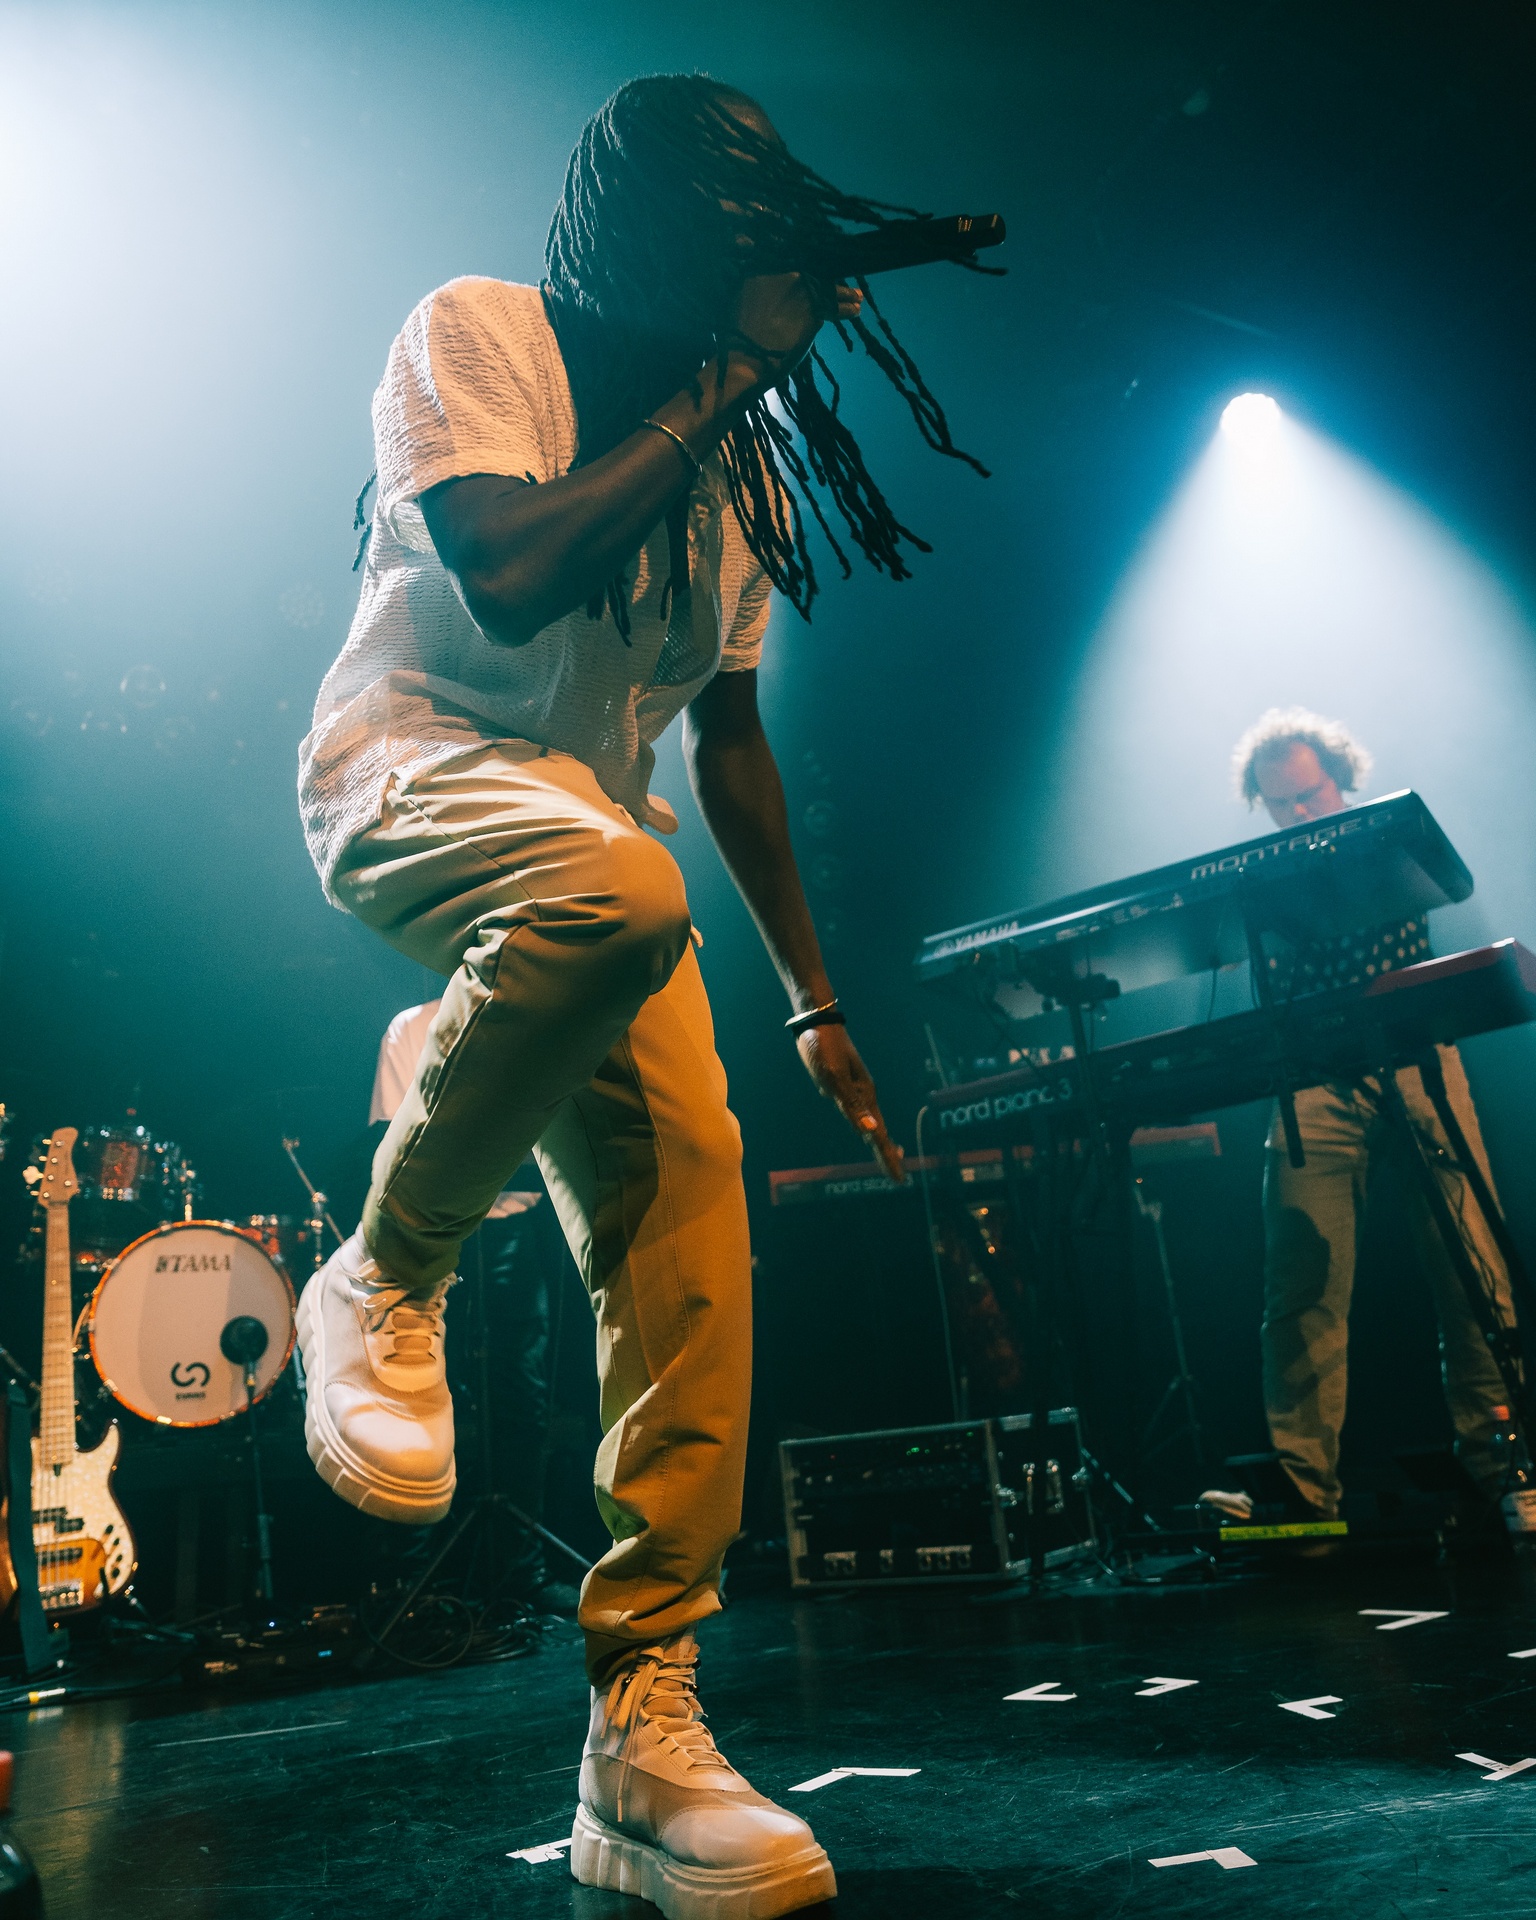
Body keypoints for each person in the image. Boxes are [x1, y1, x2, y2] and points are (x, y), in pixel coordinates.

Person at [296, 74, 983, 1920]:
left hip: (608, 848)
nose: (776, 288)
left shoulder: (733, 476)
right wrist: (725, 382)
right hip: (412, 765)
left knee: (694, 1218)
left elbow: (733, 740)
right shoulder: (480, 332)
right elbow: (509, 580)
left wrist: (819, 1008)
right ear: (665, 242)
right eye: (745, 249)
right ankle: (390, 1264)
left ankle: (641, 1730)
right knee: (616, 884)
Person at [1203, 707, 1516, 1526]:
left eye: (1309, 796)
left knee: (1472, 1265)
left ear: (1341, 779)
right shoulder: (1256, 873)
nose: (1298, 815)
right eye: (1281, 805)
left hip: (1415, 1057)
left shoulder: (1386, 837)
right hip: (1310, 1075)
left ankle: (1504, 1464)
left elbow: (1441, 885)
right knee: (1300, 1281)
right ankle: (1303, 1489)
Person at [369, 1001, 578, 1616]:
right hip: (431, 1236)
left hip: (515, 1232)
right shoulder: (412, 1025)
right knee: (422, 1395)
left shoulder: (535, 1013)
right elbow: (391, 1139)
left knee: (521, 1398)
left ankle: (520, 1570)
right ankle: (417, 1581)